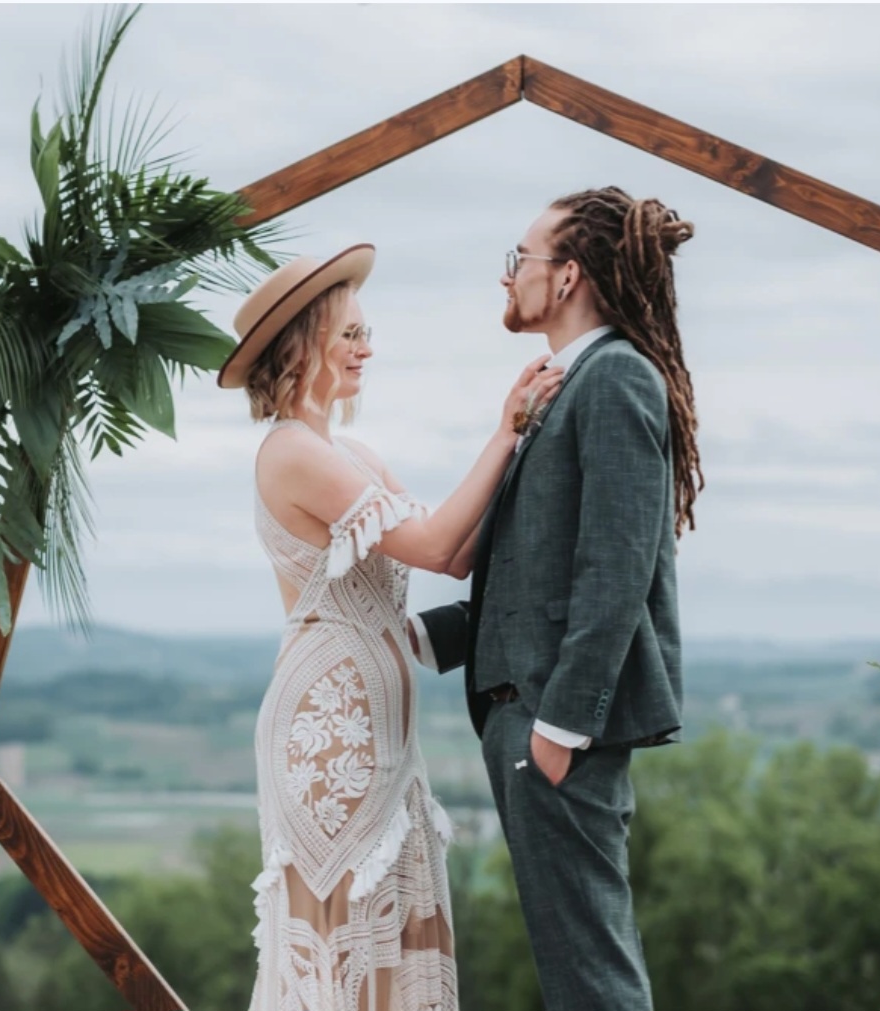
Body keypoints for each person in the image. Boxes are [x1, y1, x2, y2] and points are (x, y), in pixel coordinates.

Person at [218, 243, 562, 1011]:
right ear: (302, 344)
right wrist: (505, 431)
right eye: (349, 335)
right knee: (344, 939)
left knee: (392, 937)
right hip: (329, 735)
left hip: (385, 738)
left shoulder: (355, 453)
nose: (367, 348)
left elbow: (462, 545)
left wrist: (535, 453)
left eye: (366, 332)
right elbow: (437, 547)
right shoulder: (291, 453)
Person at [410, 187, 701, 1011]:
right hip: (526, 713)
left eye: (521, 259)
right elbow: (539, 565)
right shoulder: (562, 383)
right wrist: (417, 638)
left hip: (553, 724)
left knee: (593, 980)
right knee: (574, 974)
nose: (508, 278)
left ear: (567, 275)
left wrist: (559, 729)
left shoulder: (614, 379)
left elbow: (613, 570)